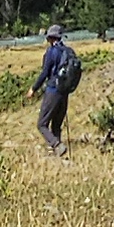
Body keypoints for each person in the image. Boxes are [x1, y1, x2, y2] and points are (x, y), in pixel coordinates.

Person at [33, 21, 84, 159]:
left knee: (42, 124)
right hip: (65, 92)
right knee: (56, 124)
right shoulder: (69, 51)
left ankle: (56, 145)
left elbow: (45, 73)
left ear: (51, 38)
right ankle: (57, 154)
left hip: (53, 90)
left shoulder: (51, 52)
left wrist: (34, 88)